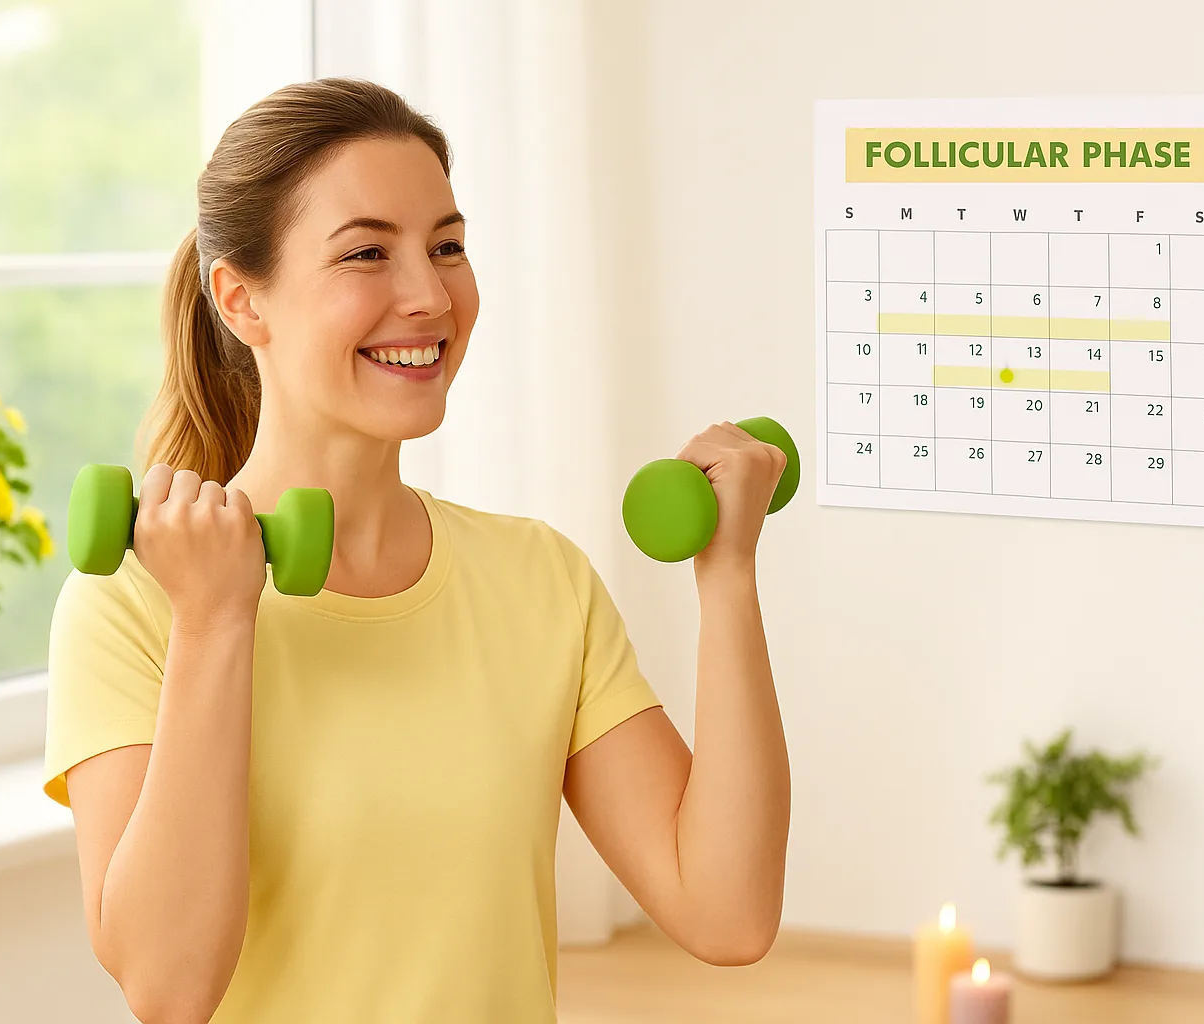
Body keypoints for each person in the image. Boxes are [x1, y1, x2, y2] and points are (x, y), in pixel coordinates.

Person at [42, 77, 790, 1024]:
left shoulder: (537, 580)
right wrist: (216, 619)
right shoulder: (131, 604)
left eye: (447, 246)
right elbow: (168, 986)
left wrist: (728, 578)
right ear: (240, 300)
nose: (430, 295)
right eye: (366, 253)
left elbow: (727, 913)